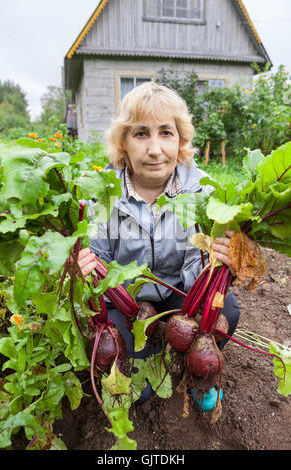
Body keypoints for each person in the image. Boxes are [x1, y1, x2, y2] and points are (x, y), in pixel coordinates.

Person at [77, 82, 254, 408]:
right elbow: (98, 258)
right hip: (127, 304)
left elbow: (204, 262)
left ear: (181, 141)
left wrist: (227, 258)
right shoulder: (103, 194)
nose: (155, 148)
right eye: (141, 133)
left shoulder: (201, 193)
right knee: (140, 394)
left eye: (166, 133)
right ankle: (151, 347)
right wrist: (86, 265)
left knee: (226, 310)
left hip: (179, 296)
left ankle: (199, 373)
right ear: (123, 142)